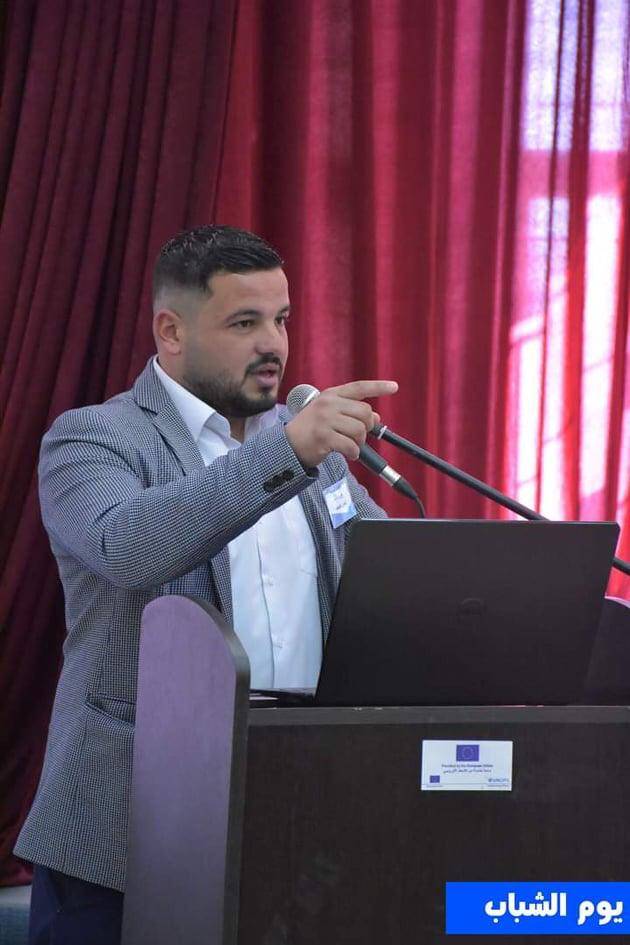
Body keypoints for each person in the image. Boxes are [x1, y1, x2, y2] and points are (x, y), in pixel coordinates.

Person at [15, 224, 398, 944]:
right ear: (171, 332)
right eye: (244, 323)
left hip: (291, 813)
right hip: (124, 832)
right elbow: (128, 547)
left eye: (282, 319)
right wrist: (287, 453)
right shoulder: (93, 437)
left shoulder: (313, 450)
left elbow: (386, 575)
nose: (274, 345)